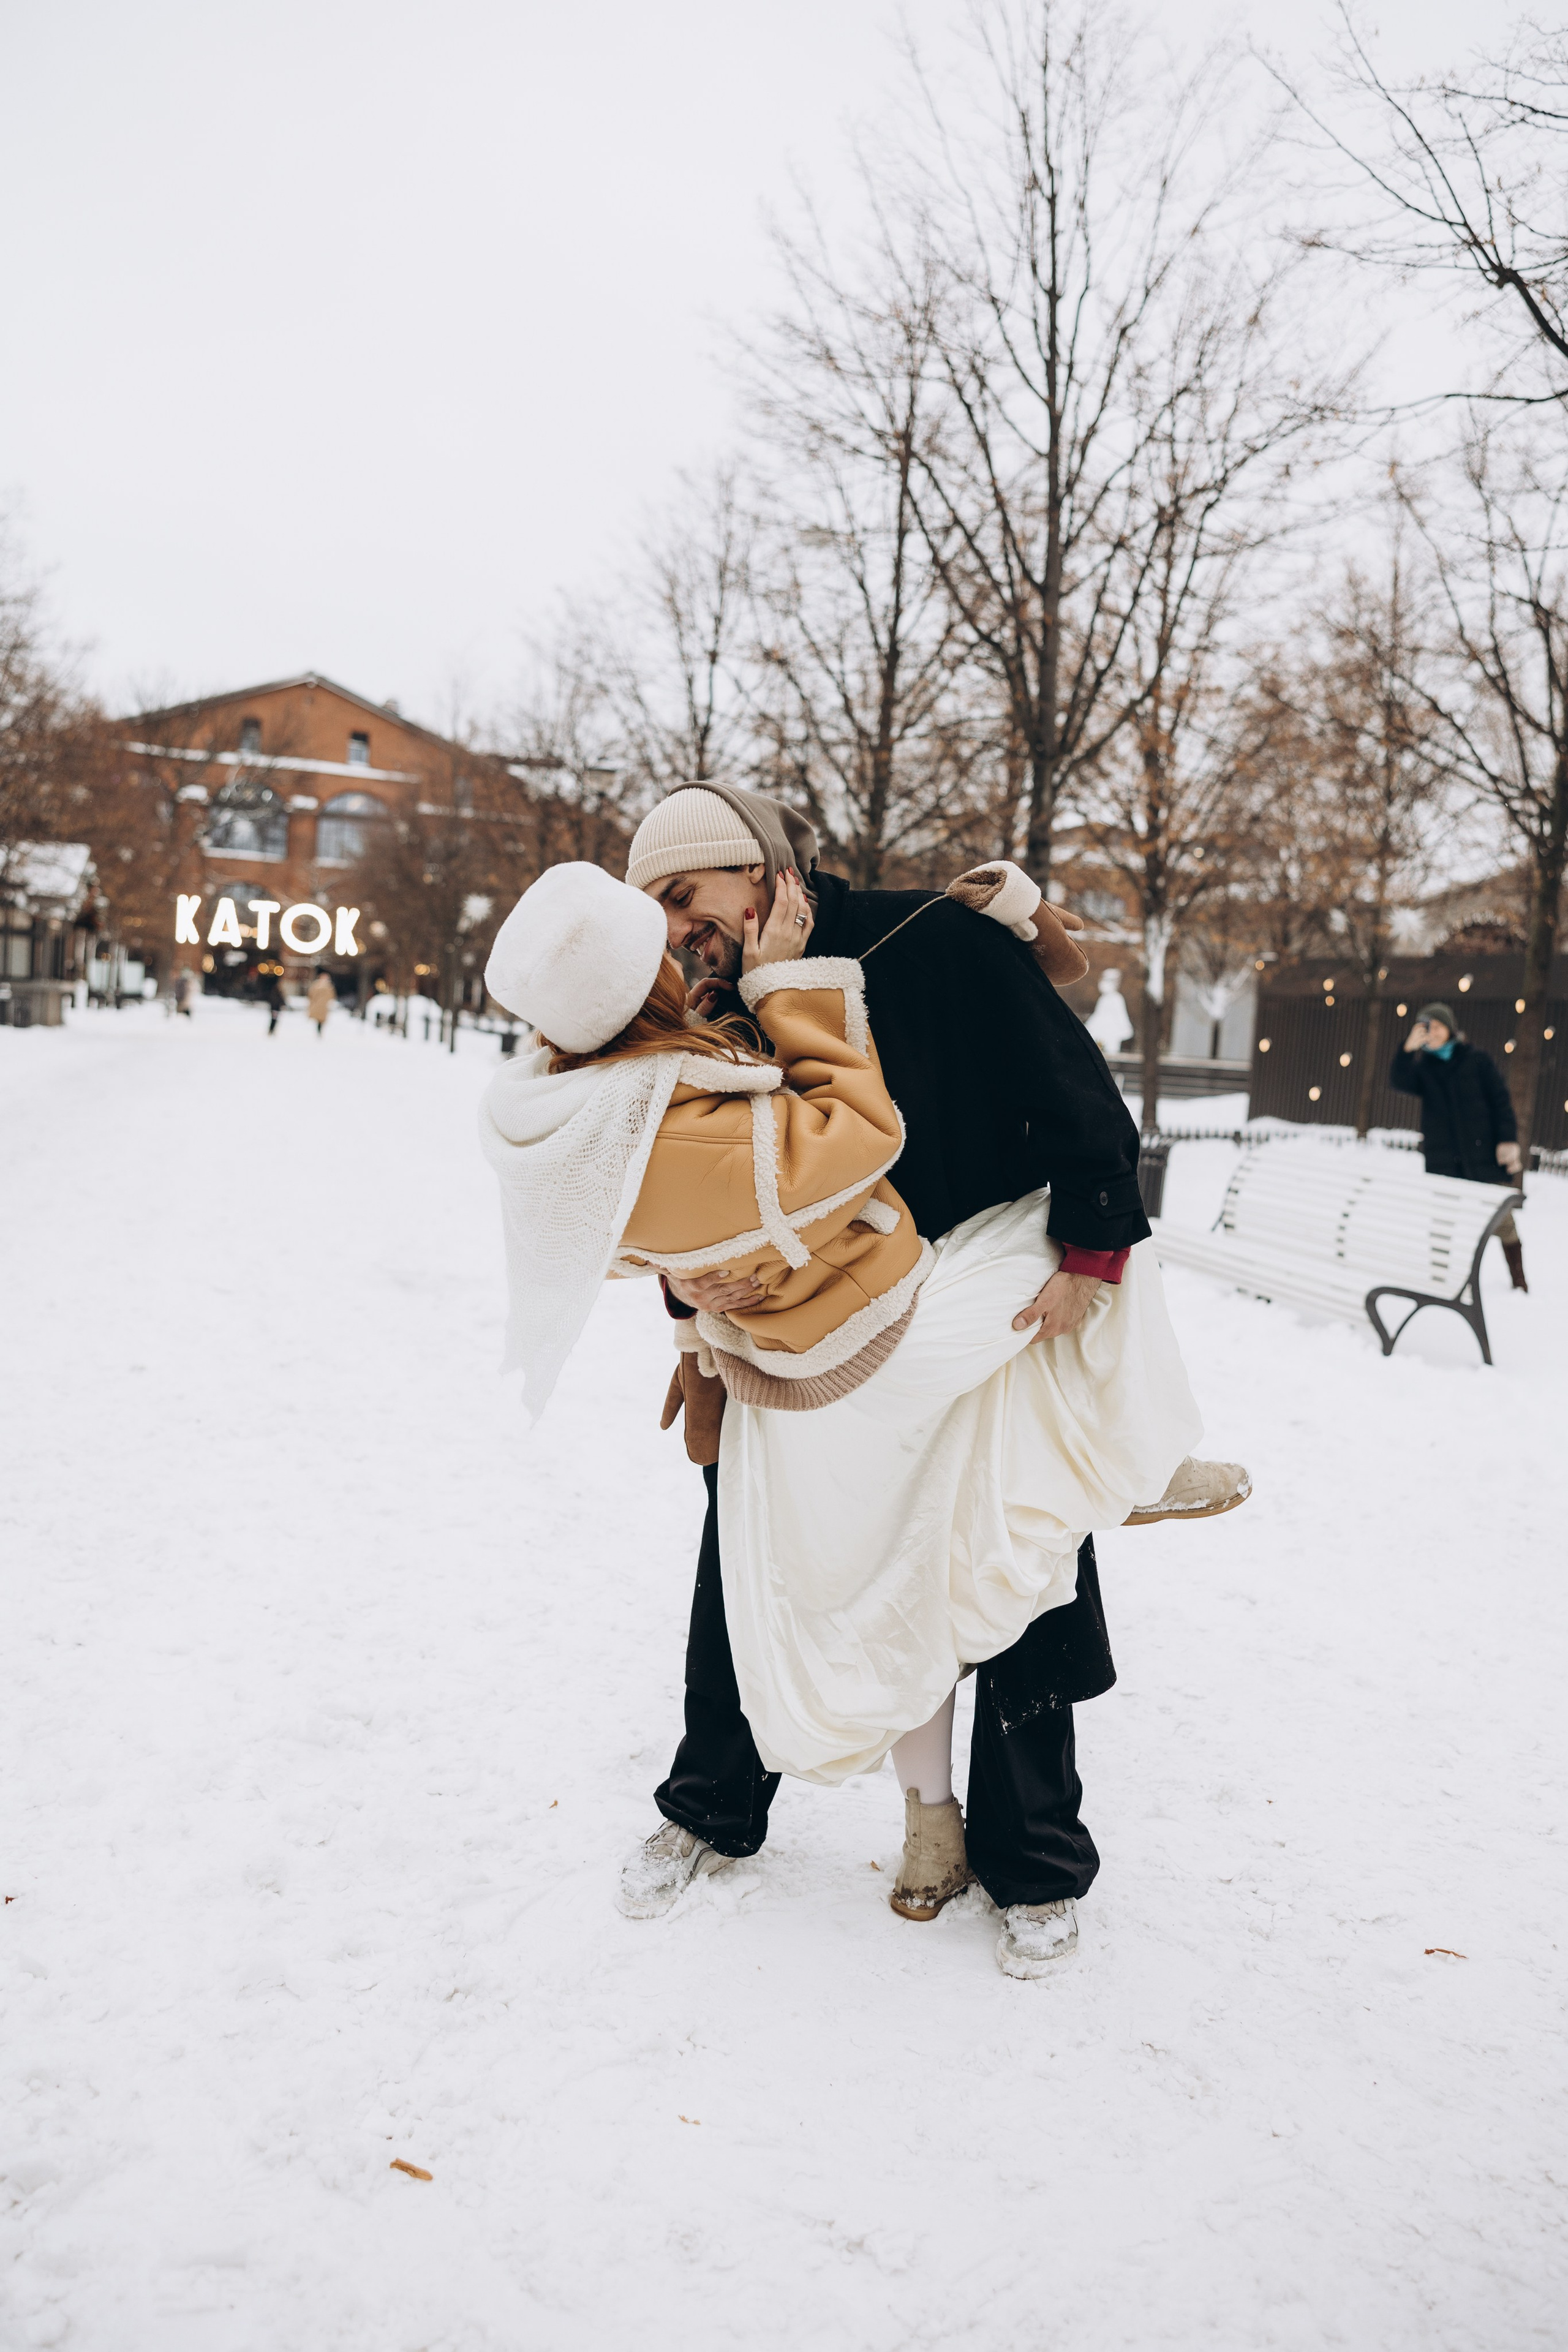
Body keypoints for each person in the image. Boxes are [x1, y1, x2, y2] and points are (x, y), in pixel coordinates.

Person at [481, 859, 1242, 1979]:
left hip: (914, 1333)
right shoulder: (711, 1008)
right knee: (767, 1577)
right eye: (659, 921)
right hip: (842, 1347)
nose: (683, 935)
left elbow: (1076, 1091)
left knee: (1011, 1563)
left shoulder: (920, 940)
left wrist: (1093, 1239)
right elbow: (790, 1143)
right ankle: (716, 1807)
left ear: (759, 876)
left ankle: (1030, 1861)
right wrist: (692, 1293)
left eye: (690, 903)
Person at [1390, 1001, 1527, 1291]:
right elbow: (1399, 1081)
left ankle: (1519, 1279)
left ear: (1450, 1029)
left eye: (1437, 1027)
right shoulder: (1423, 1067)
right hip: (1444, 1157)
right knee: (1443, 1221)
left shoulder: (1476, 1059)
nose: (1433, 1033)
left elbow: (1500, 1100)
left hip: (1483, 1151)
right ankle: (1441, 1279)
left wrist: (1507, 1139)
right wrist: (1407, 1049)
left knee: (1501, 1219)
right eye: (1426, 1028)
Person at [307, 970, 335, 1037]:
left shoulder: (329, 987)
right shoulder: (317, 985)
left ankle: (320, 1031)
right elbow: (311, 994)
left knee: (321, 1020)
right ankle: (318, 1031)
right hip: (317, 1005)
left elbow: (332, 996)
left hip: (323, 1006)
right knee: (318, 1019)